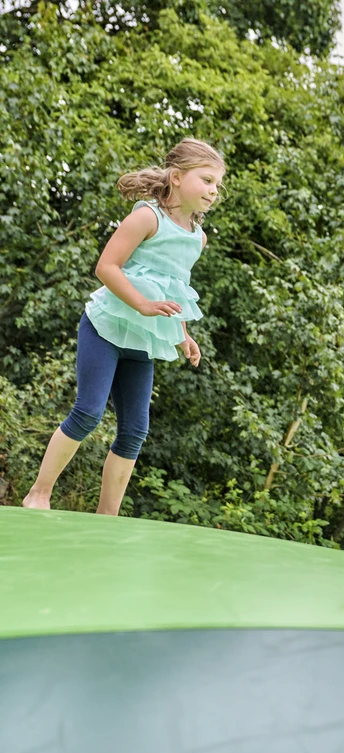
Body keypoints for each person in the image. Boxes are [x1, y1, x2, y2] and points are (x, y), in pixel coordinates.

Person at [22, 138, 225, 515]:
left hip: (143, 340)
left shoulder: (198, 238)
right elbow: (106, 267)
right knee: (88, 412)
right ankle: (39, 493)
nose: (214, 190)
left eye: (217, 184)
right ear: (177, 178)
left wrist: (183, 336)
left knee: (134, 431)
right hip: (105, 327)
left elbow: (172, 287)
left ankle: (107, 517)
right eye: (207, 179)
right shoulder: (148, 217)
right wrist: (144, 305)